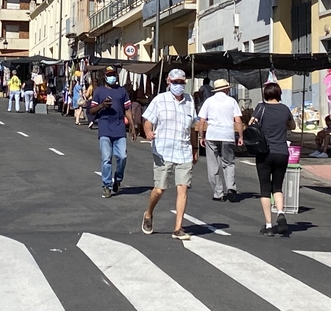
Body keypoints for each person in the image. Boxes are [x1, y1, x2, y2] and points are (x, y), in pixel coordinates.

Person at [141, 69, 198, 241]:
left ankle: (178, 228)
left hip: (184, 151)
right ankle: (149, 213)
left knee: (183, 189)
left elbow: (193, 127)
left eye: (181, 82)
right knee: (160, 189)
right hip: (163, 151)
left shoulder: (189, 101)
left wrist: (195, 149)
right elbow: (147, 121)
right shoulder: (160, 100)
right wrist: (148, 132)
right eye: (175, 82)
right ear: (168, 81)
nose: (179, 86)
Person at [250, 82, 296, 236]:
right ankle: (281, 212)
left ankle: (269, 225)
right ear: (279, 93)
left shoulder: (260, 108)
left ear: (265, 94)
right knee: (277, 187)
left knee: (265, 190)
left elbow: (251, 124)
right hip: (282, 152)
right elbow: (293, 126)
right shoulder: (285, 109)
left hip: (264, 153)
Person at [88, 66, 136, 198]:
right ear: (105, 76)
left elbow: (127, 109)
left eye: (114, 74)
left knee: (122, 156)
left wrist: (132, 126)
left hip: (119, 127)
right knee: (106, 159)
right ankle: (106, 186)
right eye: (109, 74)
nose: (112, 77)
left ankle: (118, 179)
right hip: (104, 127)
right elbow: (91, 110)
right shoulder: (99, 91)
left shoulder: (122, 91)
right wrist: (102, 105)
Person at [198, 79, 244, 202]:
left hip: (212, 135)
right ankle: (231, 188)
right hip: (227, 135)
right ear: (226, 89)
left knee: (213, 165)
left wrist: (201, 136)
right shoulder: (232, 101)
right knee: (228, 162)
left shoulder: (209, 101)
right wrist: (240, 136)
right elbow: (238, 121)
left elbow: (202, 121)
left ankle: (218, 193)